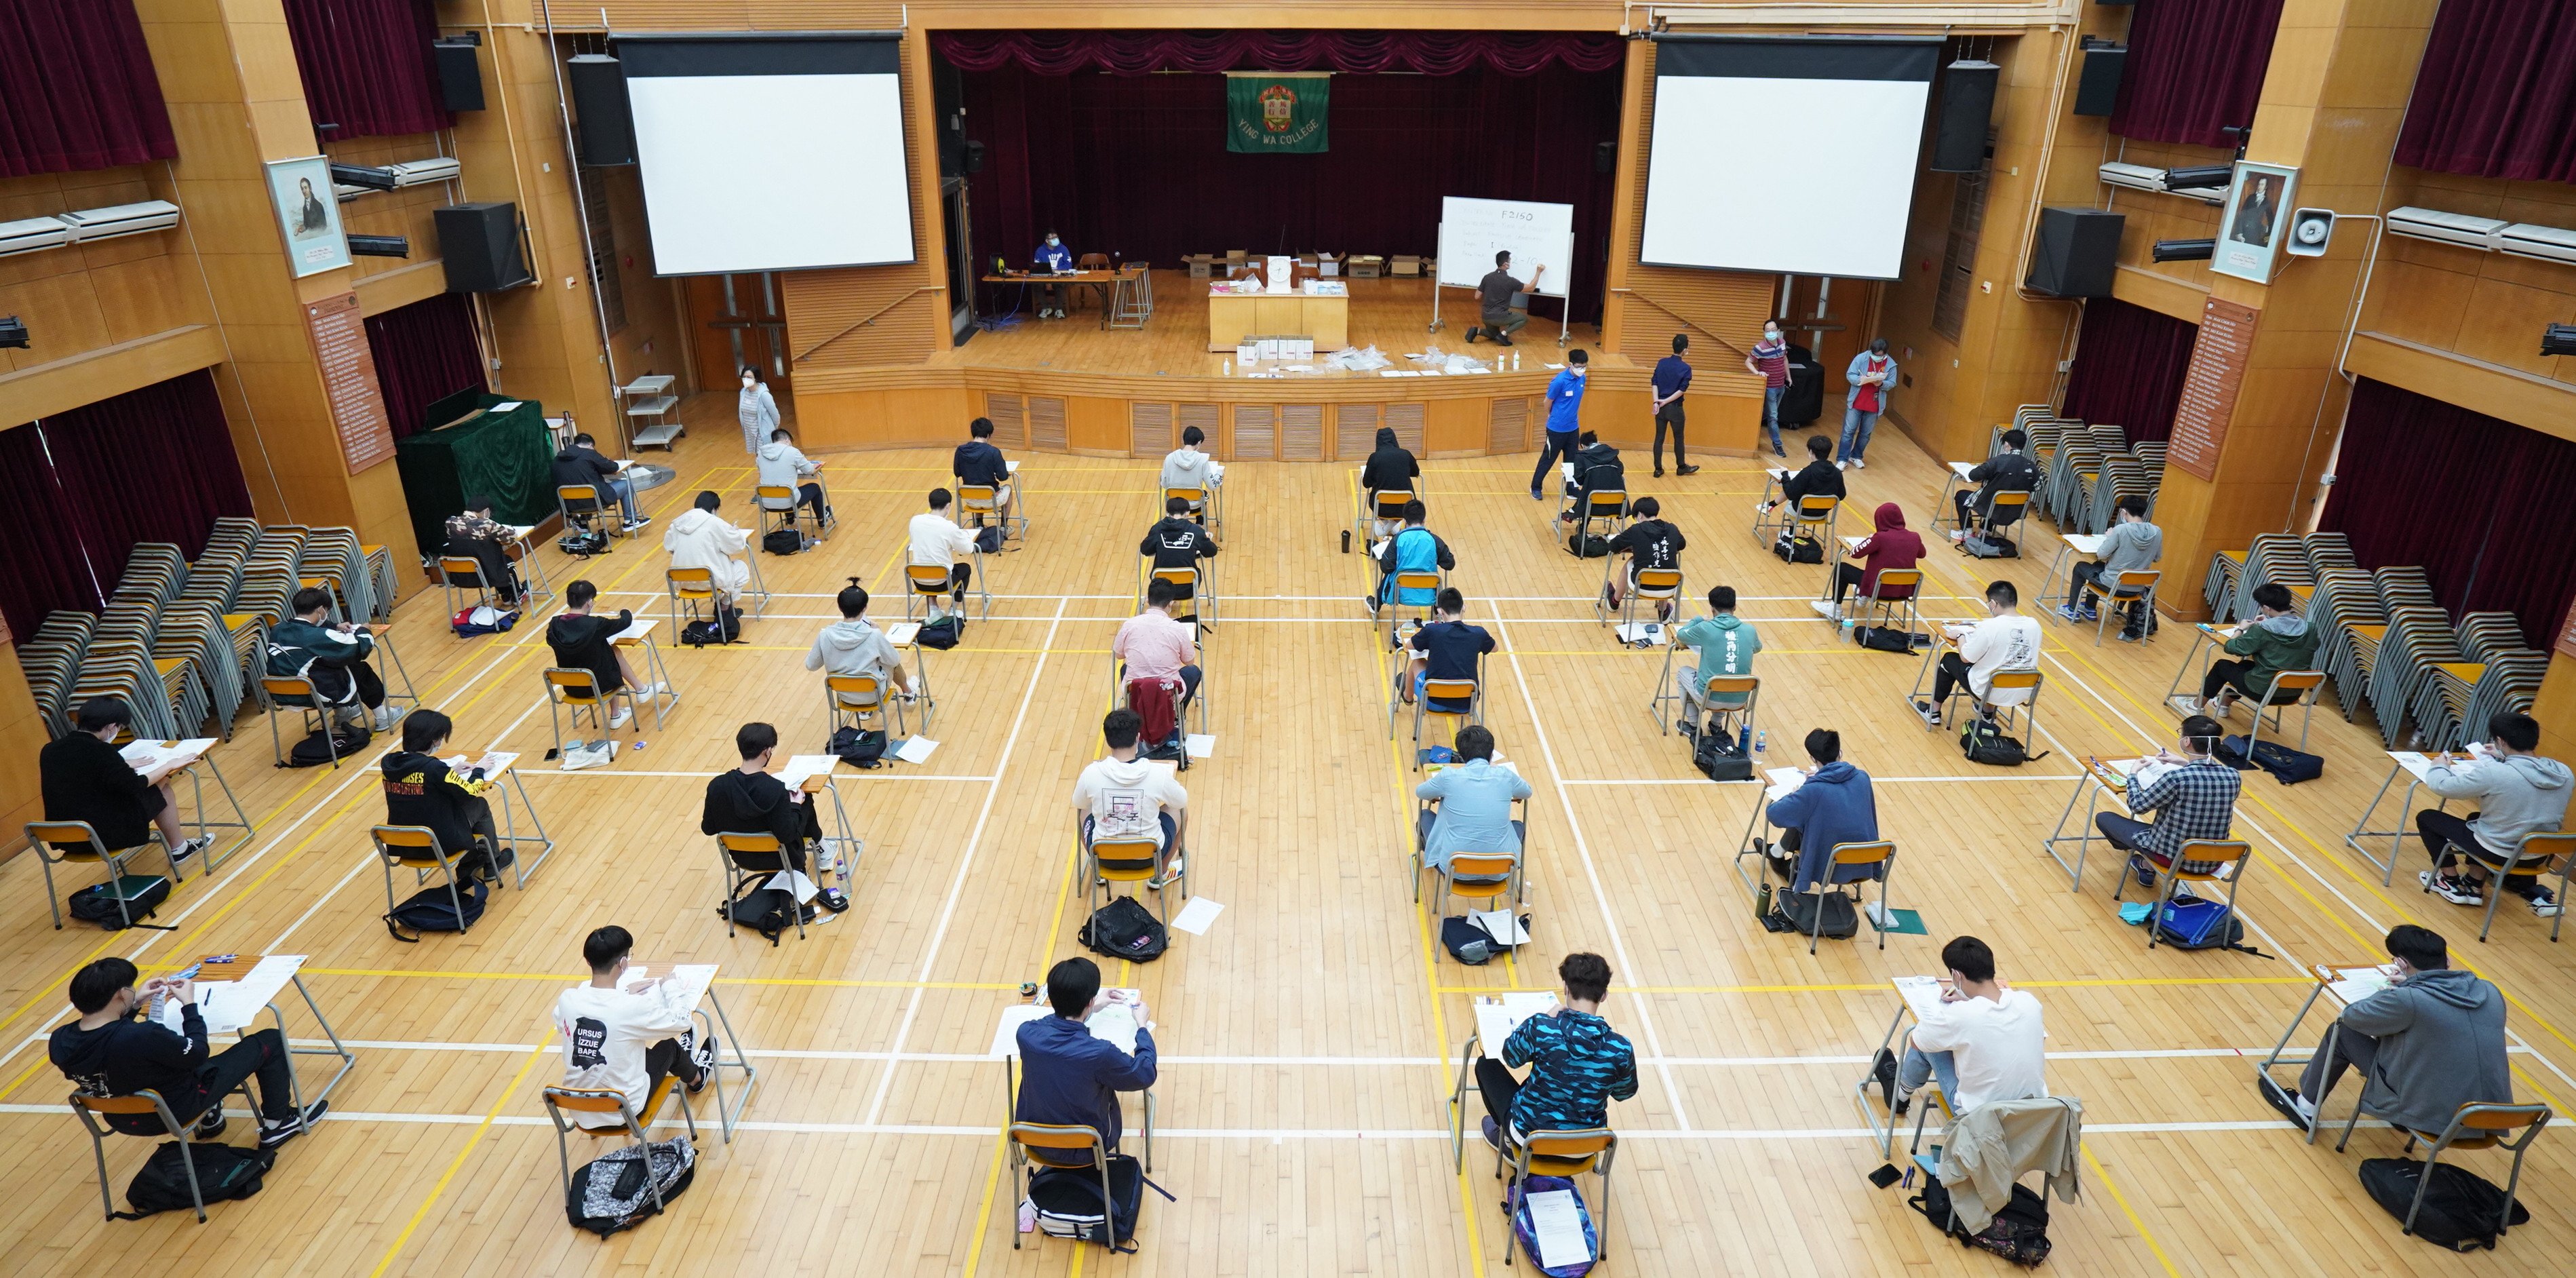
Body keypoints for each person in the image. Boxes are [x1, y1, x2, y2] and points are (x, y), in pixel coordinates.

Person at [50, 957, 325, 1148]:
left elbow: (109, 1044)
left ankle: (210, 1120)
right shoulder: (142, 1036)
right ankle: (278, 1124)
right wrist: (189, 1006)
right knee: (270, 1040)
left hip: (120, 1117)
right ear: (121, 994)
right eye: (131, 990)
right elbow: (198, 1054)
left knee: (151, 1066)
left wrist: (136, 1006)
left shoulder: (60, 1041)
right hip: (174, 1110)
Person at [2278, 924, 2509, 1134]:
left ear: (2401, 963)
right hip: (2489, 1114)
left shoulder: (2409, 1000)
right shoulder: (2490, 992)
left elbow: (2352, 1017)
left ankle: (2305, 1108)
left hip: (2432, 1114)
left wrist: (2394, 991)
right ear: (2446, 960)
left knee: (2341, 1033)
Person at [552, 925, 714, 1129]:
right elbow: (683, 1021)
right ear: (623, 964)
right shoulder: (630, 1008)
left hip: (581, 1110)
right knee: (669, 1047)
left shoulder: (568, 999)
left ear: (588, 961)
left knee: (621, 1046)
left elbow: (562, 1022)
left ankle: (686, 1062)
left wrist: (625, 992)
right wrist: (670, 987)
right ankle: (697, 1079)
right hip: (625, 1111)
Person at [1476, 952, 1637, 1152]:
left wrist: (1543, 1019)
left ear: (1566, 988)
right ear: (1604, 995)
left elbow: (1511, 1057)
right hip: (1585, 1146)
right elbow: (1624, 1093)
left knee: (1486, 1064)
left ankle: (1509, 1143)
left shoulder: (1542, 1027)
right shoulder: (1621, 1048)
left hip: (1531, 1140)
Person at [1873, 935, 2046, 1117]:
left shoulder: (1962, 1014)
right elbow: (2038, 1038)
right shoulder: (2029, 1002)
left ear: (1957, 976)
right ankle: (1901, 1091)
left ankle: (1900, 1093)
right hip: (2033, 1113)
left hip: (1981, 1117)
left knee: (1931, 1043)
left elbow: (1918, 1040)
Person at [2417, 712, 2569, 914]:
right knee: (2475, 818)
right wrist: (2505, 756)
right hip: (2537, 855)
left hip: (2500, 852)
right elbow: (2532, 774)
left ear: (2500, 741)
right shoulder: (2564, 773)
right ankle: (2473, 882)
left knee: (2427, 818)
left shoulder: (2496, 774)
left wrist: (2439, 767)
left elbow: (2443, 786)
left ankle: (2449, 881)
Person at [40, 697, 214, 866]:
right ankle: (180, 848)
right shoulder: (102, 751)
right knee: (163, 784)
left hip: (65, 838)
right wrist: (169, 766)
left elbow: (81, 772)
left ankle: (180, 846)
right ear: (111, 727)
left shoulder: (49, 750)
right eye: (120, 728)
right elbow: (135, 786)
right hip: (103, 836)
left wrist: (120, 764)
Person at [1014, 956, 1157, 1150]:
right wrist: (1142, 1027)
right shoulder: (1100, 1053)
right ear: (1090, 1001)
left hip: (1035, 1141)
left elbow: (1049, 1022)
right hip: (1087, 1150)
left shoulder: (1026, 1034)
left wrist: (1087, 1009)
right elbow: (1145, 1073)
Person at [2097, 715, 2241, 891]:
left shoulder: (2177, 778)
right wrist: (2183, 762)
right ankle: (2145, 864)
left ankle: (2146, 862)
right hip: (2212, 860)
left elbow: (2137, 806)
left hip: (2173, 858)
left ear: (2187, 741)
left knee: (2104, 818)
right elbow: (2207, 785)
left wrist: (2133, 775)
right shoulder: (2233, 775)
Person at [381, 708, 510, 883]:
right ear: (433, 740)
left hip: (404, 844)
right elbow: (469, 791)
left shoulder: (389, 764)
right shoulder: (433, 768)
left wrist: (448, 772)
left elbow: (421, 781)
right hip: (437, 844)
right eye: (441, 738)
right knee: (479, 804)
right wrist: (479, 770)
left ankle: (469, 864)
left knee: (454, 808)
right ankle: (492, 863)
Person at [1071, 708, 1190, 886]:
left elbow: (1078, 803)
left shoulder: (1092, 773)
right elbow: (1181, 800)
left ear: (1107, 740)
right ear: (1138, 738)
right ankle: (1161, 873)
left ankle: (1098, 871)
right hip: (1149, 856)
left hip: (1104, 857)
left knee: (1082, 809)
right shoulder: (1157, 773)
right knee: (1181, 811)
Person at [701, 722, 828, 886]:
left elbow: (708, 829)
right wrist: (796, 805)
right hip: (779, 859)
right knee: (805, 801)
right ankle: (822, 850)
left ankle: (822, 849)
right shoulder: (775, 790)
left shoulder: (716, 786)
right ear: (766, 751)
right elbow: (786, 835)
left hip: (742, 858)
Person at [1757, 728, 1881, 892]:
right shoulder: (1862, 778)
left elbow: (1774, 814)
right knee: (1814, 814)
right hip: (1866, 860)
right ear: (1840, 753)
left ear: (1813, 758)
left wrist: (1799, 792)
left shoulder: (1813, 790)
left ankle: (1778, 854)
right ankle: (1776, 852)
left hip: (1827, 866)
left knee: (1804, 815)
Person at [1915, 580, 2042, 729]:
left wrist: (1960, 636)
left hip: (1989, 691)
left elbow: (1966, 657)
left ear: (1994, 604)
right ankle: (1987, 711)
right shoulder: (2034, 625)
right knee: (1998, 662)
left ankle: (1934, 712)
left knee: (1949, 660)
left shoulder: (1990, 626)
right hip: (2023, 692)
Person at [267, 585, 393, 733]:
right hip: (313, 695)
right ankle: (383, 717)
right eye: (327, 611)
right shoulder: (316, 636)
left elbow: (307, 628)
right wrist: (364, 630)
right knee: (359, 668)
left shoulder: (278, 629)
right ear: (320, 610)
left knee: (321, 666)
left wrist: (334, 626)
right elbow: (359, 648)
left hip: (283, 695)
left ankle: (342, 714)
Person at [1416, 724, 1531, 874]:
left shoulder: (1448, 776)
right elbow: (1527, 792)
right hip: (1499, 870)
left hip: (1453, 869)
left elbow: (1421, 792)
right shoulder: (1505, 775)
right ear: (1491, 755)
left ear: (1462, 756)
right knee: (1517, 825)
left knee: (1425, 815)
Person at [2197, 582, 2320, 720]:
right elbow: (2307, 647)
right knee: (2245, 666)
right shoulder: (2310, 628)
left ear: (2267, 608)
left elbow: (2231, 647)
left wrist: (2241, 629)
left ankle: (2197, 706)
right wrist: (2268, 623)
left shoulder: (2262, 630)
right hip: (2292, 692)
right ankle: (2223, 705)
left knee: (2222, 666)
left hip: (2262, 692)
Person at [545, 579, 663, 718]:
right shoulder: (596, 624)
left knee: (608, 650)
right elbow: (624, 622)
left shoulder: (555, 625)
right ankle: (617, 713)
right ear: (589, 603)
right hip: (599, 686)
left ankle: (640, 690)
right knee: (609, 654)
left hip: (571, 688)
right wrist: (625, 611)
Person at [2056, 495, 2162, 640]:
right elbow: (2157, 557)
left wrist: (2110, 537)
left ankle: (2072, 609)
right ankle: (2089, 609)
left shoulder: (2120, 530)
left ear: (2124, 512)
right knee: (2097, 567)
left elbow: (2101, 554)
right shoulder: (2157, 532)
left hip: (2114, 585)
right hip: (2137, 588)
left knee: (2080, 567)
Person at [807, 578, 915, 704]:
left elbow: (811, 665)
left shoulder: (824, 635)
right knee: (889, 661)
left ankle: (865, 711)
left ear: (840, 608)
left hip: (844, 695)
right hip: (874, 695)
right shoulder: (873, 635)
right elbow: (894, 660)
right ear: (864, 608)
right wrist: (879, 634)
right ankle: (908, 692)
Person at [1114, 578, 1201, 717]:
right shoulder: (1177, 628)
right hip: (1168, 692)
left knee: (1125, 668)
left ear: (1148, 600)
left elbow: (1118, 655)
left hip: (1135, 690)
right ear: (1171, 603)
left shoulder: (1130, 624)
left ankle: (1136, 713)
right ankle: (1176, 715)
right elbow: (1189, 662)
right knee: (1194, 671)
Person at [1674, 586, 1762, 719]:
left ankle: (1693, 724)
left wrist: (1698, 619)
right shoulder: (1750, 630)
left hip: (1709, 697)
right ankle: (1716, 724)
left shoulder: (1706, 628)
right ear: (1735, 607)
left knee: (1683, 673)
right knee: (1724, 677)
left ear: (1712, 609)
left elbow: (1681, 635)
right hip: (1741, 698)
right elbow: (1757, 648)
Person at [1403, 587, 1494, 710]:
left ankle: (1407, 698)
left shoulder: (1432, 630)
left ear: (1440, 612)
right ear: (1464, 607)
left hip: (1433, 701)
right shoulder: (1479, 633)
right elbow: (1495, 649)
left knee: (1417, 663)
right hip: (1467, 703)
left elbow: (1409, 646)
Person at [663, 490, 752, 607]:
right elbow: (737, 547)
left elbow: (669, 547)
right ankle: (725, 608)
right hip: (710, 581)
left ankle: (721, 607)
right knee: (741, 569)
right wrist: (733, 532)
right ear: (714, 509)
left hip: (682, 581)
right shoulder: (715, 523)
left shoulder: (677, 524)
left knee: (720, 570)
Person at [1832, 502, 1922, 618]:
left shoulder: (1880, 538)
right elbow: (1922, 554)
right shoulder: (1915, 537)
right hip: (1904, 591)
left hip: (1878, 589)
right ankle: (1862, 592)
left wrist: (1870, 539)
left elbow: (1855, 554)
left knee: (1842, 568)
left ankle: (1836, 609)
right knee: (1878, 567)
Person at [1369, 499, 1455, 617]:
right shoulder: (1434, 540)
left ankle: (1376, 604)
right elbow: (1450, 564)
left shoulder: (1398, 540)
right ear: (1424, 519)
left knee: (1391, 573)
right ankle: (1437, 610)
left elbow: (1386, 567)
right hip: (1429, 594)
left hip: (1401, 592)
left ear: (1404, 520)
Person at [1603, 497, 1685, 617]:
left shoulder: (1636, 529)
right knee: (1665, 562)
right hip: (1670, 587)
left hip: (1642, 585)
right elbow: (1681, 545)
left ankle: (1614, 602)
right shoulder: (1672, 528)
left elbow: (1613, 546)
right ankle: (1663, 611)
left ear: (1640, 515)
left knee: (1630, 562)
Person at [551, 431, 645, 532]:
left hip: (570, 506)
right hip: (595, 501)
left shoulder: (556, 460)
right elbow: (613, 467)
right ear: (590, 445)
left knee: (581, 486)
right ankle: (630, 521)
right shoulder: (589, 454)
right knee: (625, 484)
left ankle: (581, 522)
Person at [909, 488, 981, 620]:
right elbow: (967, 549)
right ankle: (954, 609)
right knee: (965, 568)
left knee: (928, 565)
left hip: (918, 580)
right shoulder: (949, 527)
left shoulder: (915, 521)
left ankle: (933, 608)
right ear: (948, 506)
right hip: (943, 582)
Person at [1139, 495, 1220, 611]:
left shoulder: (1157, 529)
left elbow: (1145, 550)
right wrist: (1205, 538)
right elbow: (1211, 552)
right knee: (1195, 571)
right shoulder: (1196, 531)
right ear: (1188, 513)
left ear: (1167, 513)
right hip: (1188, 589)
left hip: (1161, 590)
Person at [1527, 349, 1589, 500]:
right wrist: (1552, 415)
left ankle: (1571, 489)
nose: (1582, 369)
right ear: (1571, 365)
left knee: (1571, 461)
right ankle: (1535, 487)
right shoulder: (1559, 381)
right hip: (1556, 429)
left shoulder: (1583, 379)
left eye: (1585, 366)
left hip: (1573, 428)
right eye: (1579, 366)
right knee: (1548, 459)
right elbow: (1547, 402)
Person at [1953, 429, 2037, 535]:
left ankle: (1966, 531)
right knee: (1999, 496)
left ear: (2006, 444)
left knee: (1961, 495)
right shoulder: (2032, 466)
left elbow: (1973, 476)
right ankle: (1985, 530)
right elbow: (2037, 486)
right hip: (2015, 511)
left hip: (1989, 507)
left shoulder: (1999, 461)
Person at [443, 495, 524, 606]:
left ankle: (505, 594)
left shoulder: (450, 523)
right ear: (486, 511)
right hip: (486, 575)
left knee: (491, 559)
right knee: (505, 560)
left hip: (461, 577)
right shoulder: (486, 524)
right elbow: (512, 537)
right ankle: (518, 593)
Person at [1838, 338, 1898, 468]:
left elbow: (1892, 383)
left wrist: (1881, 383)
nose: (1877, 357)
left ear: (1885, 354)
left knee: (1865, 434)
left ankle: (1856, 456)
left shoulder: (1891, 365)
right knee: (1848, 431)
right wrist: (1862, 380)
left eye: (1880, 355)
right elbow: (1850, 375)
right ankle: (1842, 459)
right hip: (1857, 401)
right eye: (1875, 354)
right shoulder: (1861, 359)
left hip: (1874, 404)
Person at [952, 416, 1017, 532]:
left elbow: (957, 473)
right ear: (988, 435)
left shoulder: (960, 450)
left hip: (970, 499)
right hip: (991, 499)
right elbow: (1003, 477)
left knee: (977, 487)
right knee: (1008, 489)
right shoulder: (993, 452)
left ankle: (979, 524)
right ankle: (1004, 527)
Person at [756, 427, 829, 530]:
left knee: (783, 488)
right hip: (790, 502)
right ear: (787, 440)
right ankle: (822, 521)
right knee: (814, 487)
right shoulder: (792, 452)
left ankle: (790, 518)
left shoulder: (761, 454)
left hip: (766, 503)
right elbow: (810, 471)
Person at [1467, 249, 1543, 347]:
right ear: (1505, 264)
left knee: (1493, 334)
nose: (1511, 262)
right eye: (1510, 260)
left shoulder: (1487, 277)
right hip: (1500, 316)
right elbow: (1531, 288)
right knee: (1523, 319)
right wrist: (1538, 272)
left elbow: (1477, 296)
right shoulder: (1510, 281)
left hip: (1486, 316)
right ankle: (1504, 334)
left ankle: (1477, 331)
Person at [1763, 433, 1847, 518]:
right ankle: (1771, 505)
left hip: (1802, 512)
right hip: (1823, 514)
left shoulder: (1808, 472)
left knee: (1792, 498)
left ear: (1811, 452)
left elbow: (1790, 494)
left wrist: (1785, 474)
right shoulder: (1837, 472)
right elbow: (1842, 495)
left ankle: (1790, 530)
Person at [1744, 320, 1795, 457]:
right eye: (1768, 330)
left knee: (1769, 414)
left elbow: (1784, 360)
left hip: (1781, 385)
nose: (1771, 333)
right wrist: (1757, 373)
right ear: (1764, 332)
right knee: (1773, 417)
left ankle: (1750, 432)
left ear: (1778, 331)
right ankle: (1778, 445)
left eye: (1773, 330)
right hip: (1769, 388)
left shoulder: (1783, 343)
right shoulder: (1760, 347)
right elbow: (1748, 362)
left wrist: (1788, 377)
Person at [1650, 332, 1698, 478]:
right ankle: (1681, 467)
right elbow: (1681, 390)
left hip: (1660, 407)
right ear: (1684, 349)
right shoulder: (1686, 368)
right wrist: (1666, 401)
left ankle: (1658, 469)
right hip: (1675, 408)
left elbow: (1655, 382)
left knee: (1659, 437)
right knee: (1679, 437)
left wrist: (1657, 401)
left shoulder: (1662, 362)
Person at [1359, 425, 1420, 537]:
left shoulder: (1375, 457)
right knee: (1400, 503)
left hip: (1381, 507)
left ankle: (1384, 530)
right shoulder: (1406, 454)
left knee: (1379, 497)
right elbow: (1416, 472)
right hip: (1406, 507)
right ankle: (1392, 527)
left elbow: (1366, 483)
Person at [1159, 425, 1224, 523]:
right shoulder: (1202, 460)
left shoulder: (1170, 458)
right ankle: (1200, 519)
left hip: (1173, 506)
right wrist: (1219, 475)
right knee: (1204, 494)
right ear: (1198, 443)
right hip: (1194, 507)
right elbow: (1212, 486)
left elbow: (1163, 484)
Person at [1559, 428, 1624, 525]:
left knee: (1589, 492)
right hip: (1617, 506)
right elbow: (1621, 470)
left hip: (1591, 506)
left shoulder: (1581, 457)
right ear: (1597, 441)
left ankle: (1575, 516)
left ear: (1583, 446)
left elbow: (1579, 480)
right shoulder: (1611, 453)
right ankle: (1573, 513)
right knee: (1594, 490)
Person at [1032, 229, 1076, 319]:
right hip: (1044, 276)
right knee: (1037, 285)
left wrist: (1057, 271)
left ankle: (1059, 309)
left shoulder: (1063, 249)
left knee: (1059, 285)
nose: (1055, 239)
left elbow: (1068, 264)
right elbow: (1037, 266)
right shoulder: (1040, 250)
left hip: (1059, 275)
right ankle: (1046, 308)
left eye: (1056, 237)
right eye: (1052, 238)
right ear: (1047, 240)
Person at [737, 366, 779, 455]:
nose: (746, 379)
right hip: (750, 433)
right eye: (744, 377)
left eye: (749, 377)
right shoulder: (743, 392)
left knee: (765, 457)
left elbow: (775, 415)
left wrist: (771, 429)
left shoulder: (764, 395)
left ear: (756, 378)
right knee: (758, 459)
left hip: (763, 433)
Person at [2229, 174, 2279, 248]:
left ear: (2266, 187)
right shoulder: (2250, 198)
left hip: (2256, 234)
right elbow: (2242, 214)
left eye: (2262, 185)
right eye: (2259, 184)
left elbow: (2271, 220)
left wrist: (2269, 236)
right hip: (2245, 231)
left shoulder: (2267, 202)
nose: (2260, 186)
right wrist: (2239, 232)